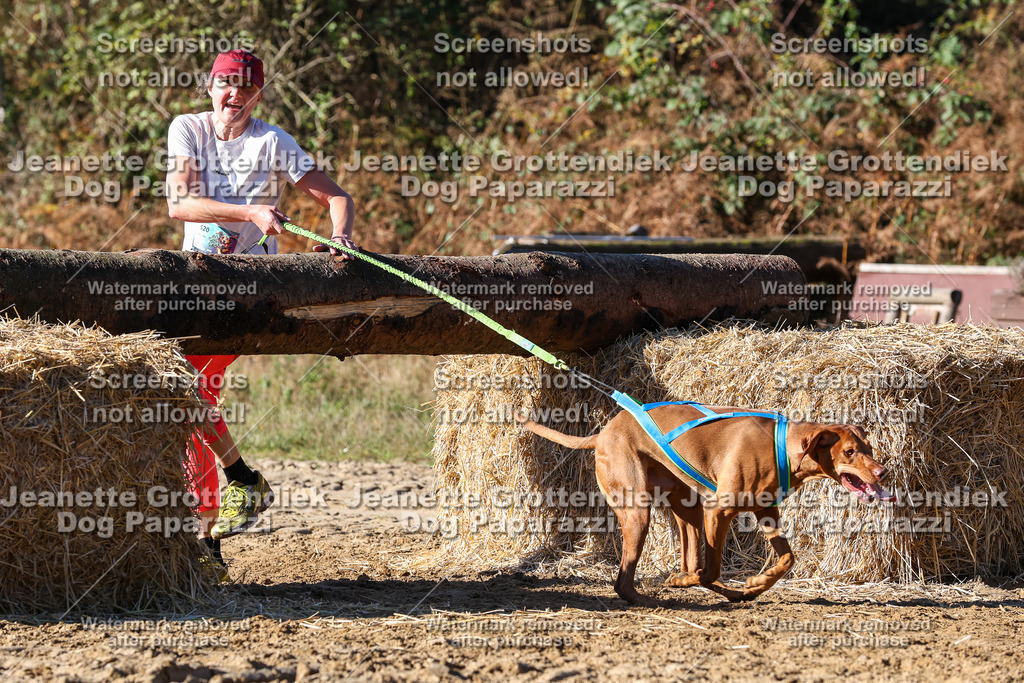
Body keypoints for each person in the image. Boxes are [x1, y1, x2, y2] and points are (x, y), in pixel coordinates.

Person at [165, 49, 357, 580]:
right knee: (187, 400)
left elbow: (336, 196)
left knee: (188, 392)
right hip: (195, 281)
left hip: (250, 290)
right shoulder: (187, 129)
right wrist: (249, 210)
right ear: (210, 87)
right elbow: (179, 203)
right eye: (226, 86)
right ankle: (235, 489)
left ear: (258, 95)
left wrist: (339, 237)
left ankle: (214, 522)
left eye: (245, 90)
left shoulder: (272, 142)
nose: (234, 97)